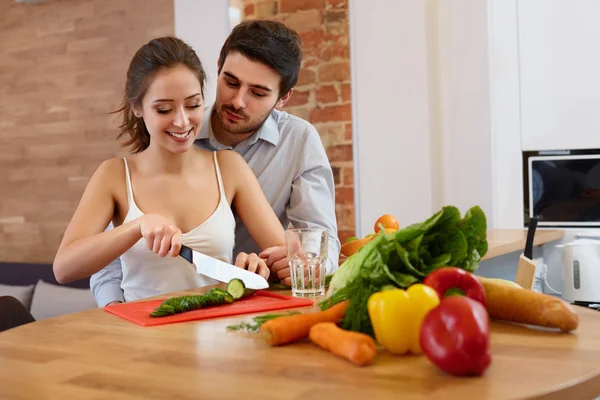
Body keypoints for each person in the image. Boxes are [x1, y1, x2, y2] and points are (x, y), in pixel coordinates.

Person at [90, 20, 341, 307]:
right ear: (218, 67)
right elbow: (114, 253)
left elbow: (319, 239)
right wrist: (113, 309)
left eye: (258, 93)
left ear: (283, 98)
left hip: (246, 302)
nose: (238, 101)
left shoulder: (298, 141)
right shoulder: (174, 135)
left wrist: (300, 263)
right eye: (231, 82)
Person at [53, 36, 286, 302]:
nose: (182, 121)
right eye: (164, 109)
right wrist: (136, 226)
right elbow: (64, 268)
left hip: (217, 336)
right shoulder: (115, 176)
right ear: (137, 108)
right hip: (141, 337)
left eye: (193, 104)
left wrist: (259, 267)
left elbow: (284, 259)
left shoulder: (229, 168)